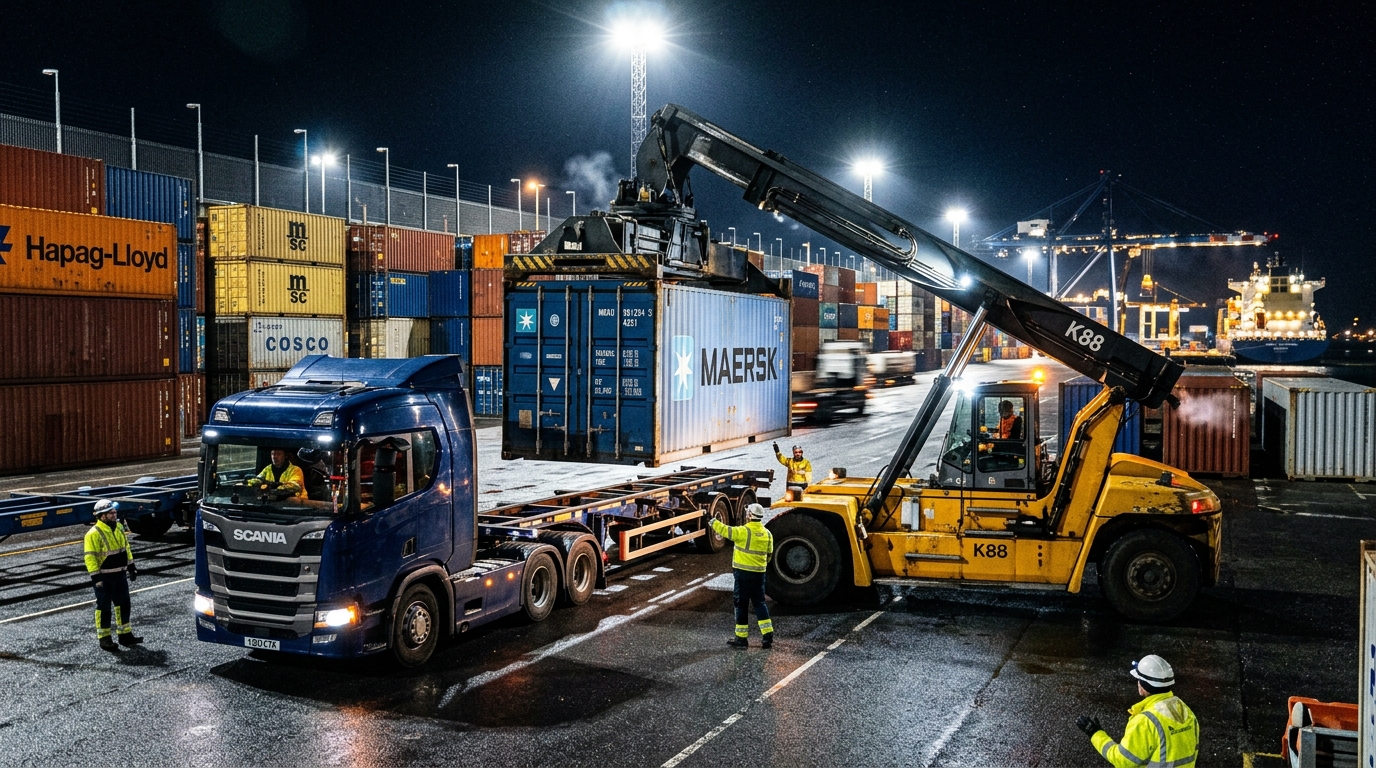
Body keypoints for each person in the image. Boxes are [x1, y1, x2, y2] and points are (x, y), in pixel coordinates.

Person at [1076, 654, 1199, 768]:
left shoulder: (1146, 721)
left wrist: (1095, 734)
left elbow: (1122, 760)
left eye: (1139, 679)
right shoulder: (1185, 710)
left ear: (1144, 685)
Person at [709, 503, 775, 649]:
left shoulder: (743, 531)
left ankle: (741, 639)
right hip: (759, 574)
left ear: (750, 516)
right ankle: (767, 636)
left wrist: (712, 520)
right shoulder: (768, 535)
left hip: (743, 575)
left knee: (741, 605)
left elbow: (725, 530)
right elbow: (769, 555)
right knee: (760, 603)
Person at [83, 500, 142, 652]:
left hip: (120, 574)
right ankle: (105, 639)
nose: (114, 515)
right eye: (111, 513)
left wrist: (131, 566)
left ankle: (125, 635)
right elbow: (90, 557)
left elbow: (125, 548)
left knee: (123, 605)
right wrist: (96, 578)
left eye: (114, 512)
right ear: (101, 516)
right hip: (104, 577)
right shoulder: (93, 534)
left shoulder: (120, 527)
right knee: (104, 608)